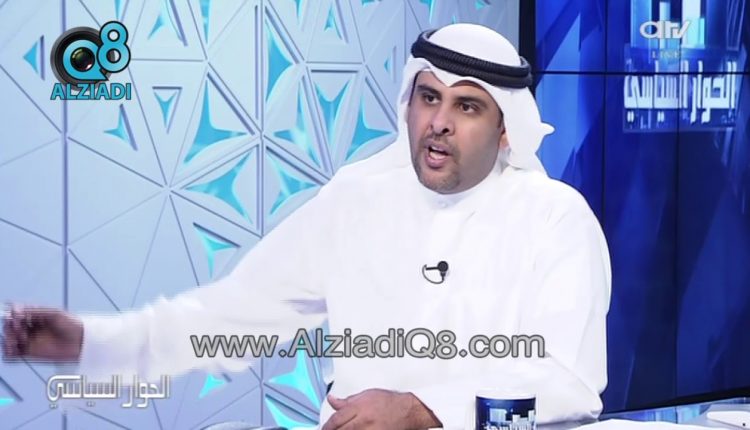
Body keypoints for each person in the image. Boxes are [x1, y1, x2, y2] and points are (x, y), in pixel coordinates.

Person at [2, 23, 612, 430]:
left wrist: (421, 410)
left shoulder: (554, 218)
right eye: (429, 98)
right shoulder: (356, 200)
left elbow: (569, 382)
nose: (439, 122)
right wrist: (91, 341)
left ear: (506, 130)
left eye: (467, 106)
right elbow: (229, 318)